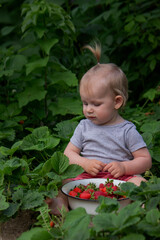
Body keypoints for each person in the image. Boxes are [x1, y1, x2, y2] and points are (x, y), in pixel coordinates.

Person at [47, 43, 152, 215]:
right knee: (65, 180)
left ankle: (139, 209)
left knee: (140, 183)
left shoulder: (127, 130)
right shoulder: (84, 127)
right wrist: (85, 163)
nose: (88, 109)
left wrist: (124, 168)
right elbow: (68, 154)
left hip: (119, 180)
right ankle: (61, 204)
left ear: (117, 102)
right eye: (85, 103)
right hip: (87, 178)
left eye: (96, 104)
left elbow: (145, 160)